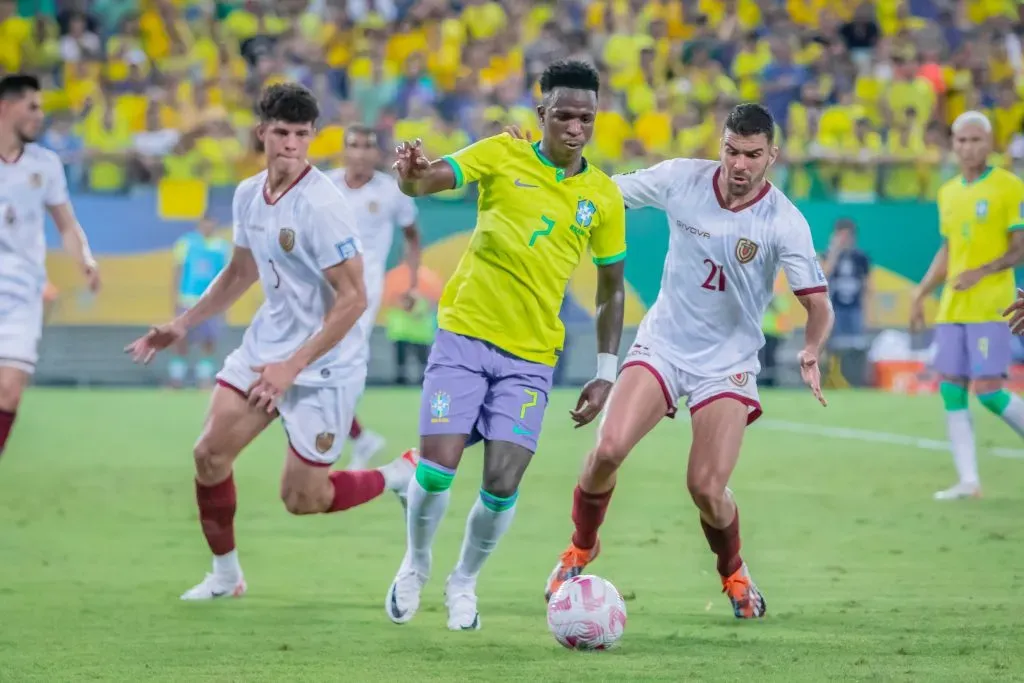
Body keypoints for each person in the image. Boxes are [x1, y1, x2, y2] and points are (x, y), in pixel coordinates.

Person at [521, 103, 834, 619]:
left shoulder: (785, 222)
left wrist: (810, 349)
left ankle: (733, 572)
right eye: (732, 151)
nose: (739, 165)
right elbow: (603, 188)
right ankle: (581, 547)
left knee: (707, 488)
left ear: (771, 156)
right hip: (664, 344)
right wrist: (539, 161)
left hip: (727, 361)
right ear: (721, 146)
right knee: (607, 450)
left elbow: (817, 304)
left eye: (753, 155)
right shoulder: (680, 180)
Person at [124, 83, 417, 600]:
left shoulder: (323, 206)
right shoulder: (246, 195)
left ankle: (398, 474)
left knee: (303, 499)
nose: (290, 144)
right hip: (267, 347)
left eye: (301, 135)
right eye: (281, 132)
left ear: (311, 138)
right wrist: (183, 324)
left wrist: (293, 365)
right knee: (209, 455)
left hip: (327, 362)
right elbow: (239, 273)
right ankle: (225, 576)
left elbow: (354, 300)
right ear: (262, 132)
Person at [385, 60, 627, 631]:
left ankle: (463, 581)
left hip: (531, 358)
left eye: (586, 117)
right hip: (464, 335)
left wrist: (606, 370)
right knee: (438, 470)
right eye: (563, 114)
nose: (574, 126)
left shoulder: (603, 197)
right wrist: (411, 173)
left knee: (501, 482)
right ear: (541, 114)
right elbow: (427, 180)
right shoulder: (502, 154)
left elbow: (612, 291)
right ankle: (416, 565)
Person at [910, 111, 1024, 501]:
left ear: (989, 143)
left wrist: (982, 272)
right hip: (952, 308)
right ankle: (969, 481)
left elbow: (1019, 248)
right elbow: (948, 250)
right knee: (951, 390)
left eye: (975, 140)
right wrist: (921, 292)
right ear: (952, 144)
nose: (967, 147)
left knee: (989, 391)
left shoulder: (1010, 187)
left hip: (993, 306)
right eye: (960, 140)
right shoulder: (949, 192)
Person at [0, 74, 100, 460]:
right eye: (33, 107)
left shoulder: (46, 164)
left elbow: (66, 224)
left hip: (22, 291)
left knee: (10, 389)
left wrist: (85, 260)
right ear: (5, 108)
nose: (40, 116)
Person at [327, 124, 421, 469]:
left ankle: (338, 439)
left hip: (363, 289)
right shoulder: (326, 186)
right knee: (313, 362)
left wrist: (410, 283)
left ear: (376, 153)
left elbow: (412, 237)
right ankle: (360, 438)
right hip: (324, 283)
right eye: (354, 145)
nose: (361, 152)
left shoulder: (391, 191)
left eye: (368, 146)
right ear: (344, 149)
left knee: (344, 361)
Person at [169, 214, 231, 388]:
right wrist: (175, 299)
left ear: (215, 224)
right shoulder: (186, 243)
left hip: (210, 302)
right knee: (180, 339)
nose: (208, 226)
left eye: (211, 222)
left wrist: (224, 303)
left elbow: (225, 277)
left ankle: (204, 380)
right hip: (187, 300)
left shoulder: (222, 247)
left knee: (209, 341)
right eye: (205, 222)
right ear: (200, 224)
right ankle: (176, 380)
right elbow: (178, 271)